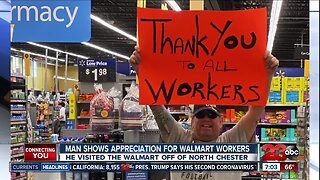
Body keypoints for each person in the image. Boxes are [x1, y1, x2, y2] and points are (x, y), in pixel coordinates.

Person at [129, 46, 279, 180]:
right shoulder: (179, 139)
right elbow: (157, 108)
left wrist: (268, 74)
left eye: (212, 115)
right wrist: (141, 70)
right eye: (200, 115)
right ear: (192, 120)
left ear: (221, 121)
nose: (206, 119)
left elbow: (254, 114)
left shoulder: (231, 142)